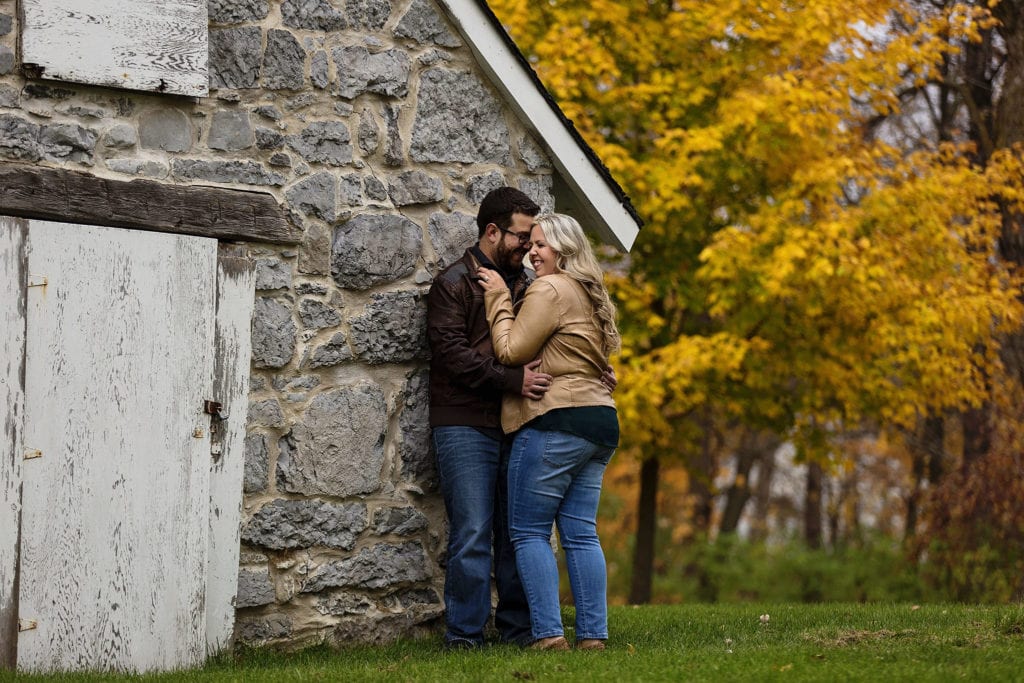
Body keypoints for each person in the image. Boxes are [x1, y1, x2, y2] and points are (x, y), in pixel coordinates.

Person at [477, 213, 620, 652]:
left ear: (565, 250)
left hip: (556, 419)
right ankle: (593, 636)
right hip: (600, 422)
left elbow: (510, 350)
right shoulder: (588, 293)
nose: (533, 253)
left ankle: (549, 634)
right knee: (581, 533)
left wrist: (499, 298)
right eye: (531, 243)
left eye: (542, 245)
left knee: (529, 531)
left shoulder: (550, 288)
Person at [426, 186, 548, 649]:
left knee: (517, 532)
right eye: (521, 237)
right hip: (463, 424)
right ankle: (465, 637)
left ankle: (520, 632)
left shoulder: (529, 284)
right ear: (492, 232)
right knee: (473, 532)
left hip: (518, 423)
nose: (528, 246)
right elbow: (452, 355)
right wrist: (512, 381)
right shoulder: (452, 282)